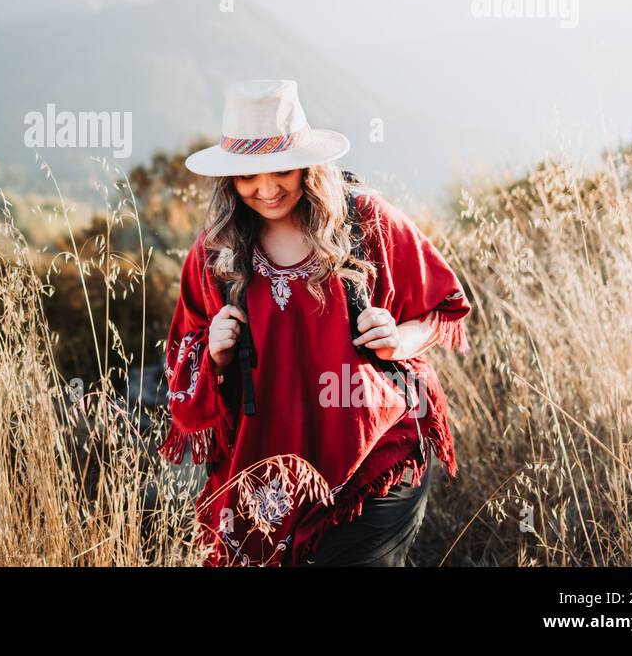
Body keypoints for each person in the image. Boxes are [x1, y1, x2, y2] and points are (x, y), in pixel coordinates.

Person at [157, 79, 471, 566]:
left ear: (306, 162)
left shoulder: (364, 221)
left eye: (281, 169)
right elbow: (183, 357)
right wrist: (213, 353)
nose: (266, 189)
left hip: (374, 455)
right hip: (266, 481)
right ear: (229, 180)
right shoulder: (214, 253)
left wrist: (399, 339)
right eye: (248, 176)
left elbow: (444, 305)